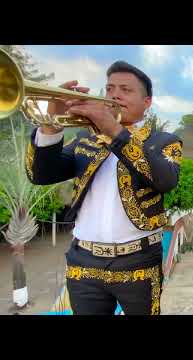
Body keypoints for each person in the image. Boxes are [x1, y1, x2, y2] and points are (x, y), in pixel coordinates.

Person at [25, 61, 182, 315]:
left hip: (139, 260)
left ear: (147, 102)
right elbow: (40, 174)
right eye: (109, 89)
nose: (114, 95)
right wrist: (50, 124)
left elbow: (165, 180)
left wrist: (112, 129)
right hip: (83, 261)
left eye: (125, 89)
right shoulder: (85, 137)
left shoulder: (163, 141)